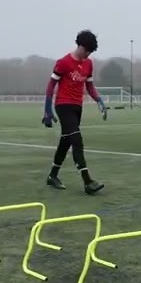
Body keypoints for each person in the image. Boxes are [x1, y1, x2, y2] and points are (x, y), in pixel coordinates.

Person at [43, 30, 107, 195]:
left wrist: (99, 100)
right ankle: (88, 182)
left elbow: (89, 86)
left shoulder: (88, 64)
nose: (87, 55)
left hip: (77, 107)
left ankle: (52, 176)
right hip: (63, 105)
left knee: (66, 141)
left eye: (90, 52)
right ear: (80, 46)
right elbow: (51, 85)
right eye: (87, 51)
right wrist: (47, 109)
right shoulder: (63, 62)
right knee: (76, 139)